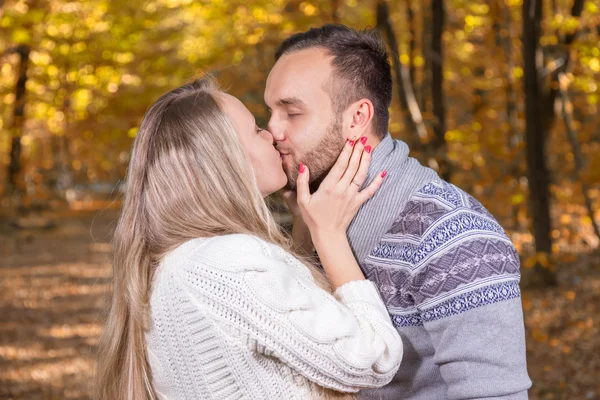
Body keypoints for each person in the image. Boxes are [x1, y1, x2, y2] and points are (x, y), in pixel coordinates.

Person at [265, 24, 532, 399]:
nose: (272, 128)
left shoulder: (453, 235)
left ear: (357, 118)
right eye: (270, 110)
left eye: (291, 112)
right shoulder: (312, 215)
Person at [95, 77, 404, 400]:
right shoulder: (229, 261)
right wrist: (329, 235)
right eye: (256, 130)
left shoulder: (178, 263)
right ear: (224, 161)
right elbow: (375, 358)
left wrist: (304, 223)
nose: (271, 134)